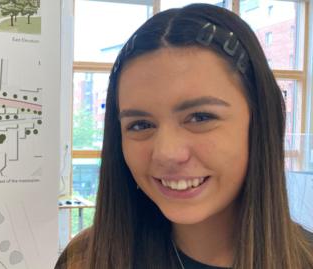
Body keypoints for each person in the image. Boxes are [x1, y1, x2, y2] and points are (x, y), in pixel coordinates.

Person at [55, 3, 313, 269]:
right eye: (141, 124)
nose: (167, 152)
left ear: (259, 122)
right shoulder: (86, 260)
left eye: (201, 117)